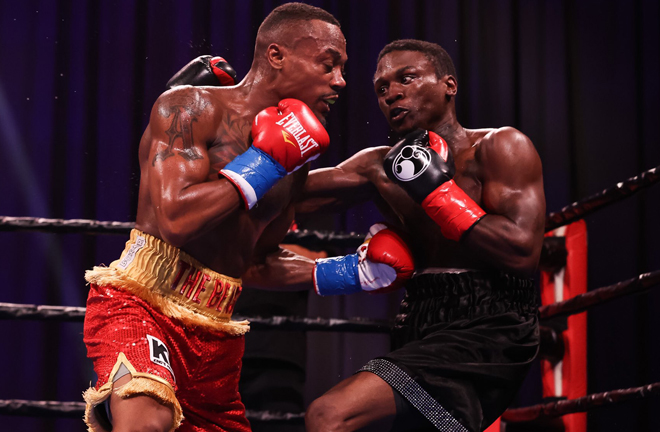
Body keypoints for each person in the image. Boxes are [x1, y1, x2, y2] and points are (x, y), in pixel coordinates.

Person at [81, 3, 350, 431]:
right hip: (142, 302)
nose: (340, 81)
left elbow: (259, 263)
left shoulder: (296, 157)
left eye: (341, 68)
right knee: (145, 419)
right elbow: (176, 218)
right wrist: (261, 162)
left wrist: (348, 272)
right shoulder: (190, 107)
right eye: (328, 64)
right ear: (276, 56)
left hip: (217, 331)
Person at [299, 39, 546, 432]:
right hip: (418, 317)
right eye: (381, 89)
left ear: (449, 85)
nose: (392, 93)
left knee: (329, 414)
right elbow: (279, 197)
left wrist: (438, 195)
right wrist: (246, 144)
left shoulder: (499, 146)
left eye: (407, 78)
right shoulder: (378, 166)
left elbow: (522, 253)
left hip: (492, 323)